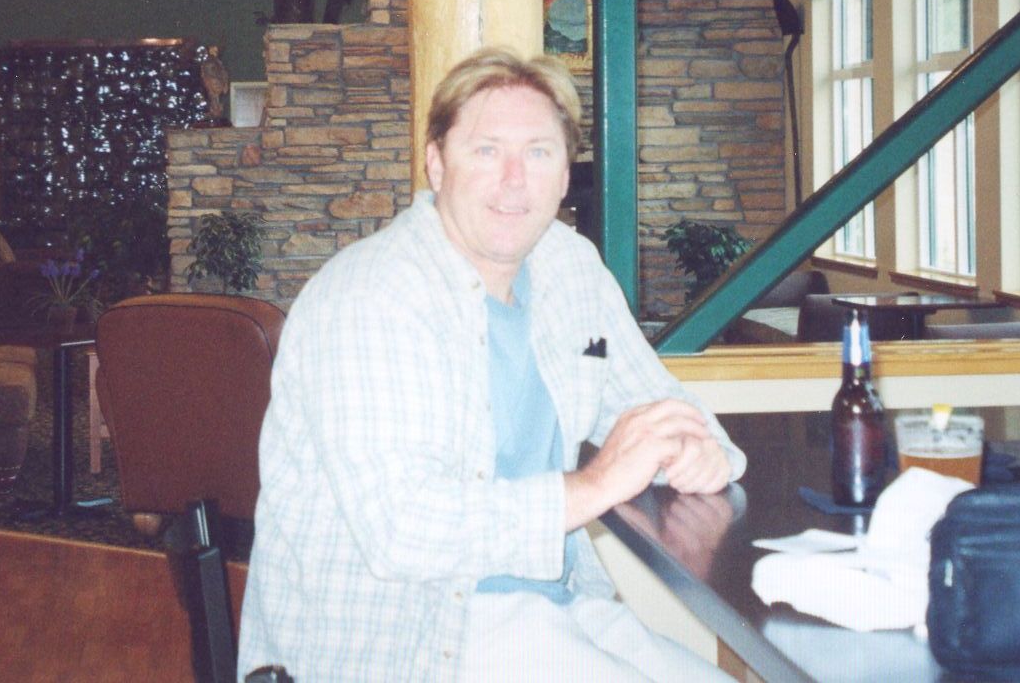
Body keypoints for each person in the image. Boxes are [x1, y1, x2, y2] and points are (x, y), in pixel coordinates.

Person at [239, 47, 746, 681]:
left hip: (552, 605)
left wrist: (701, 450)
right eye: (486, 150)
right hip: (412, 640)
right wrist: (595, 486)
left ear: (564, 175)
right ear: (436, 164)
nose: (514, 179)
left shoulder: (570, 269)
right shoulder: (369, 298)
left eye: (539, 152)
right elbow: (403, 531)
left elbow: (656, 400)